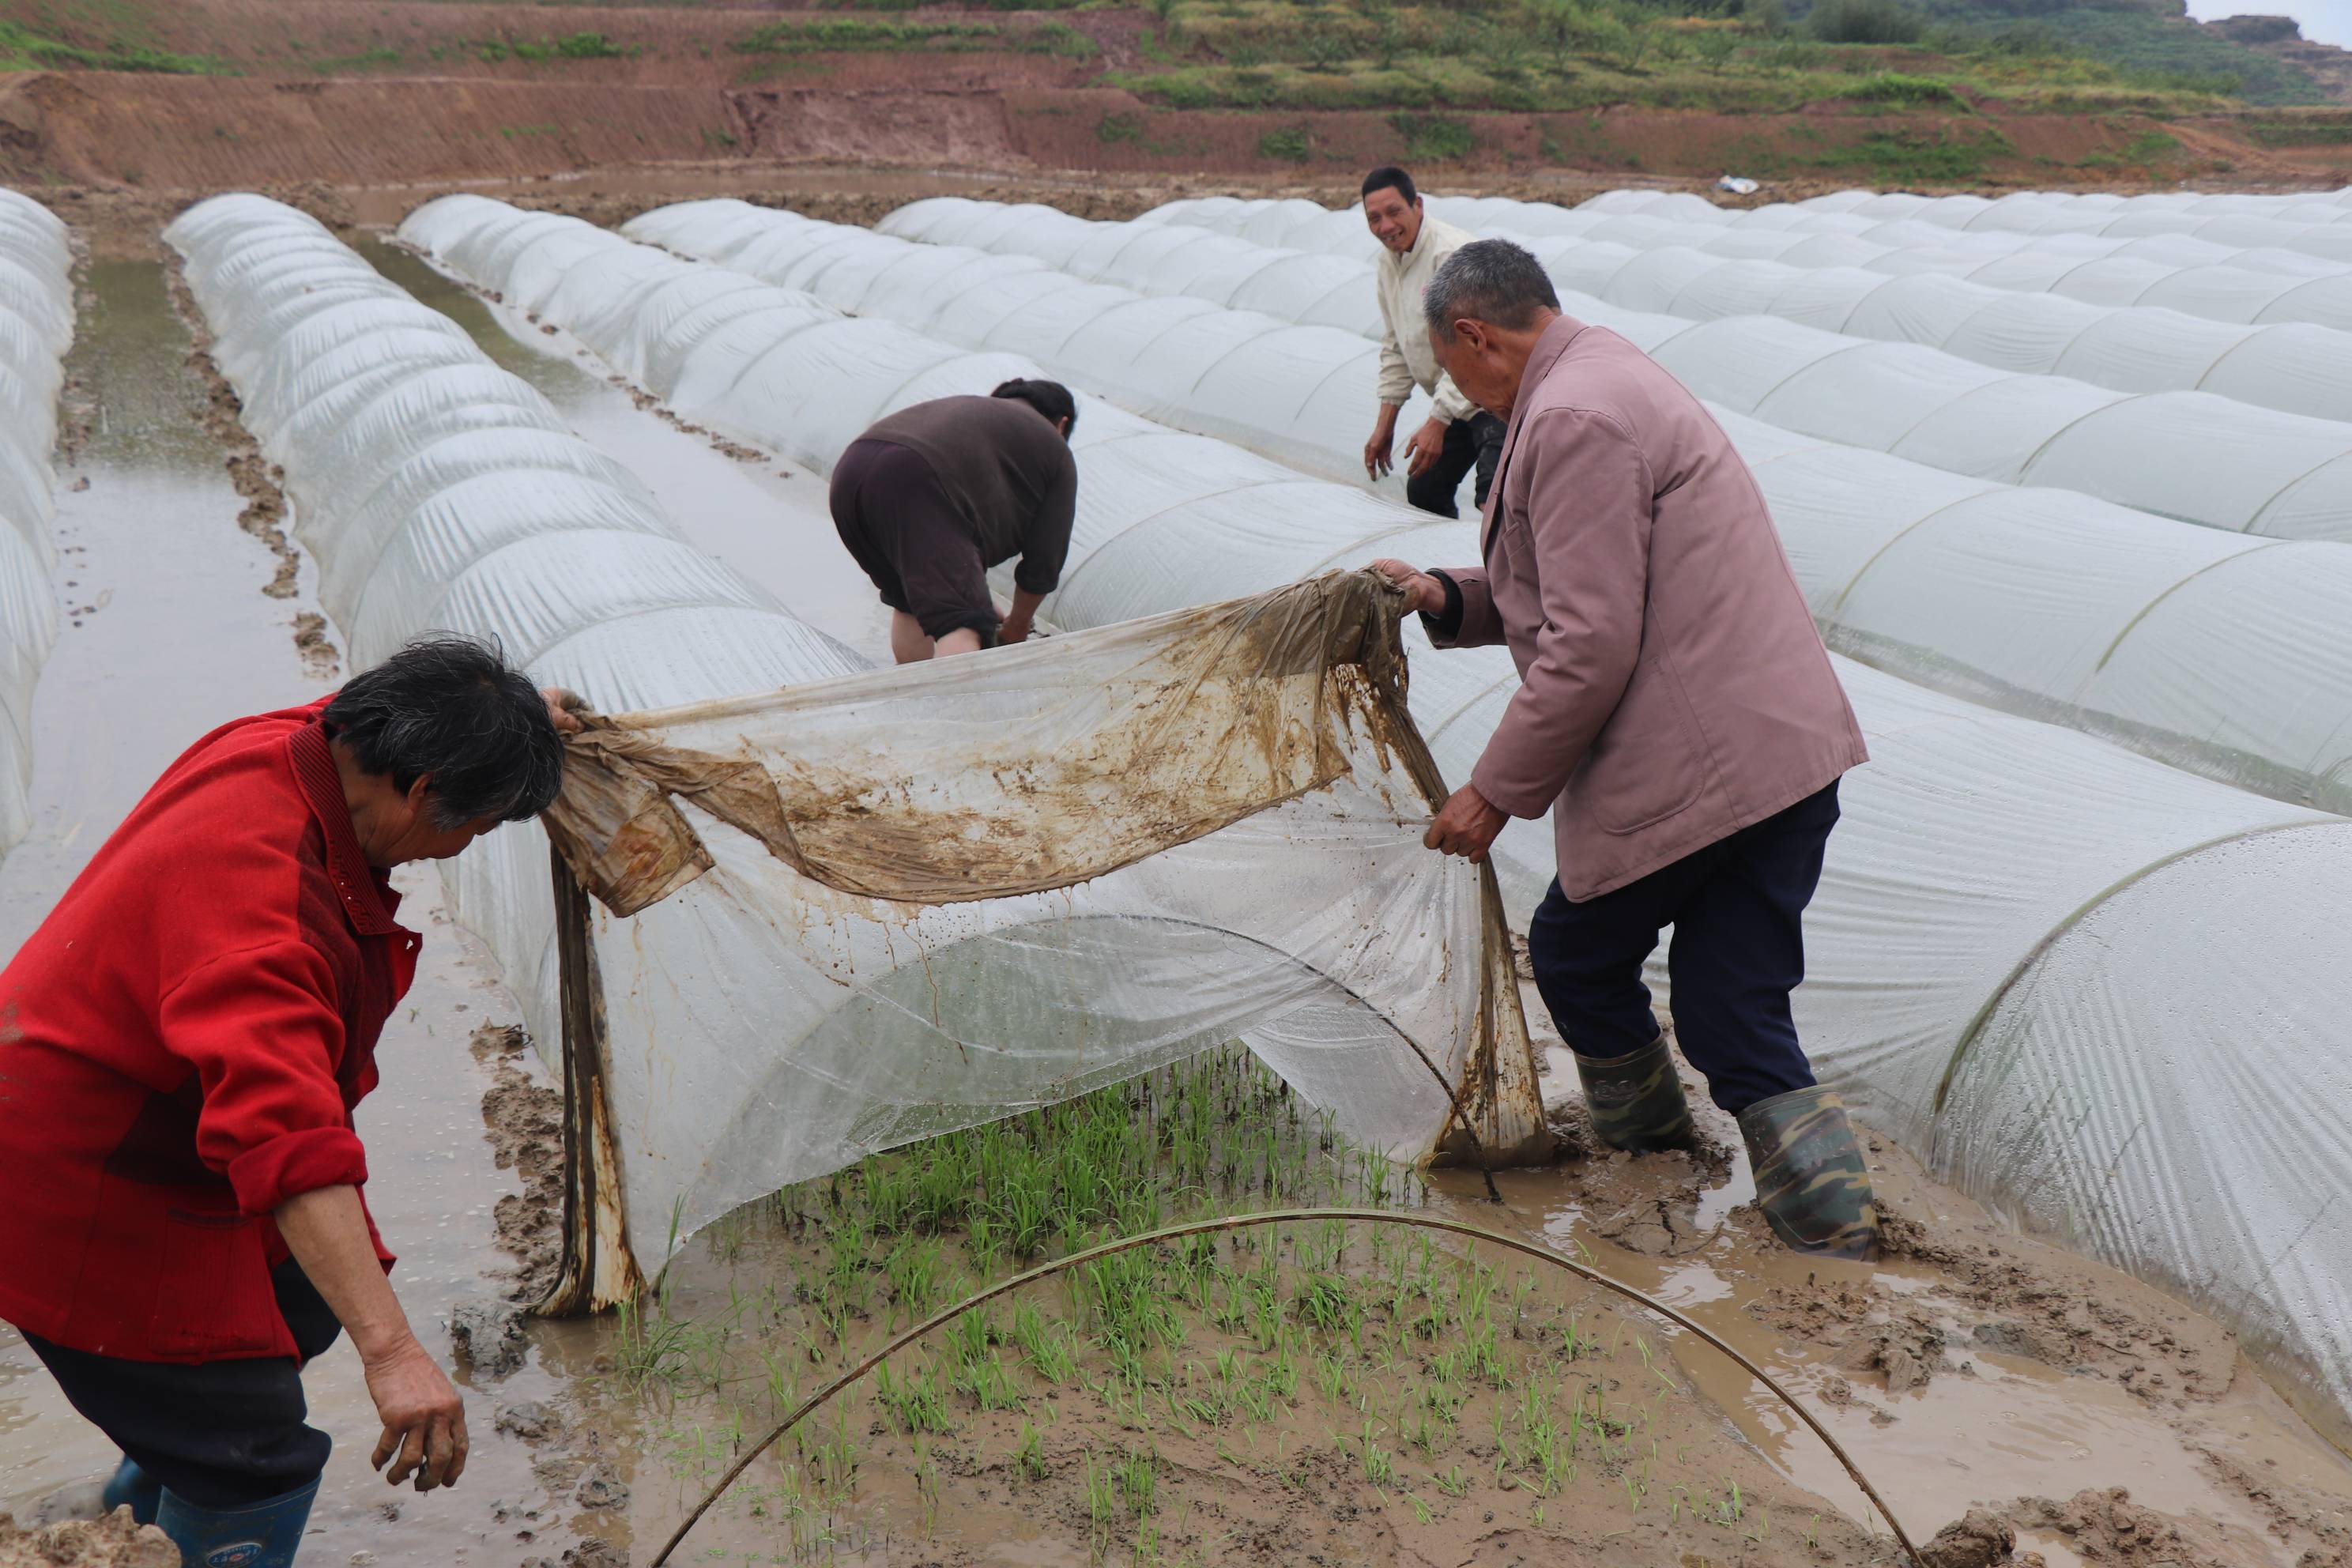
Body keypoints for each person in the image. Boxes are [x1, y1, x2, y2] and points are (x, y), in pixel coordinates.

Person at [0, 635, 575, 1568]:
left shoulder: (301, 741)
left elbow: (373, 708)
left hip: (154, 1119)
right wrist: (393, 1357)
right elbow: (288, 1137)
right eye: (475, 823)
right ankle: (186, 1515)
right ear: (424, 791)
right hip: (78, 1175)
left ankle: (123, 1524)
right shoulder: (258, 908)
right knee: (253, 1453)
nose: (463, 847)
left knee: (301, 1310)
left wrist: (511, 719)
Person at [1370, 240, 1880, 1261]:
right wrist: (1446, 595)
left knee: (1579, 951)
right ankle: (1836, 1246)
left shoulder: (1572, 419)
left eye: (1453, 372)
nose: (1458, 395)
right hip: (1776, 754)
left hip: (1711, 765)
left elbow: (1591, 643)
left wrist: (1491, 796)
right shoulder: (1601, 375)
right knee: (1730, 1000)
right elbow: (1569, 584)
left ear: (1477, 336)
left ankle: (1659, 1164)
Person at [830, 379, 1080, 663]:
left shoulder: (973, 412)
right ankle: (955, 706)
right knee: (964, 624)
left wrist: (977, 598)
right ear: (1062, 424)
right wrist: (1016, 626)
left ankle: (916, 699)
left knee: (913, 601)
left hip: (850, 475)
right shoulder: (1054, 448)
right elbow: (1046, 557)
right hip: (914, 478)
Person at [1359, 166, 1507, 519]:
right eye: (1374, 218)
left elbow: (1473, 350)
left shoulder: (1452, 256)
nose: (1386, 227)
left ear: (1418, 206)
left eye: (1394, 212)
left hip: (1498, 396)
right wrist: (1385, 426)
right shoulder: (1388, 263)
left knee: (1496, 498)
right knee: (1425, 487)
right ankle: (1449, 562)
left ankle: (1508, 572)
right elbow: (1397, 345)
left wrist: (1437, 422)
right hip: (1459, 398)